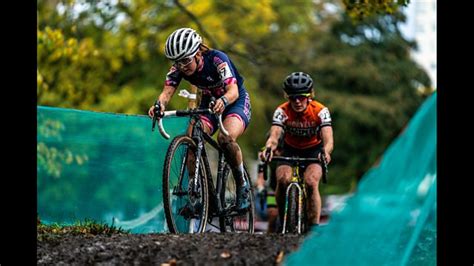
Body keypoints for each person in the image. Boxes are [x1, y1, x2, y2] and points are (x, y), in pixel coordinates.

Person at [148, 27, 252, 210]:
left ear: (197, 53)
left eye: (186, 61)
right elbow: (166, 93)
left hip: (234, 100)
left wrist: (224, 100)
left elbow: (233, 91)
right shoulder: (179, 66)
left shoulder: (218, 59)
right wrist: (159, 106)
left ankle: (242, 184)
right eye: (177, 62)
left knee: (225, 138)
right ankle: (197, 194)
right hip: (209, 102)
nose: (182, 66)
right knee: (191, 139)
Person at [260, 72, 333, 228]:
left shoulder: (320, 111)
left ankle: (313, 227)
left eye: (302, 97)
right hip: (290, 150)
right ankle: (282, 218)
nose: (297, 101)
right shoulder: (282, 111)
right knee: (283, 179)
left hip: (313, 150)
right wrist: (269, 147)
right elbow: (274, 136)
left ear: (309, 96)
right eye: (293, 97)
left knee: (311, 182)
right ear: (287, 97)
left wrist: (326, 152)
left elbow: (328, 139)